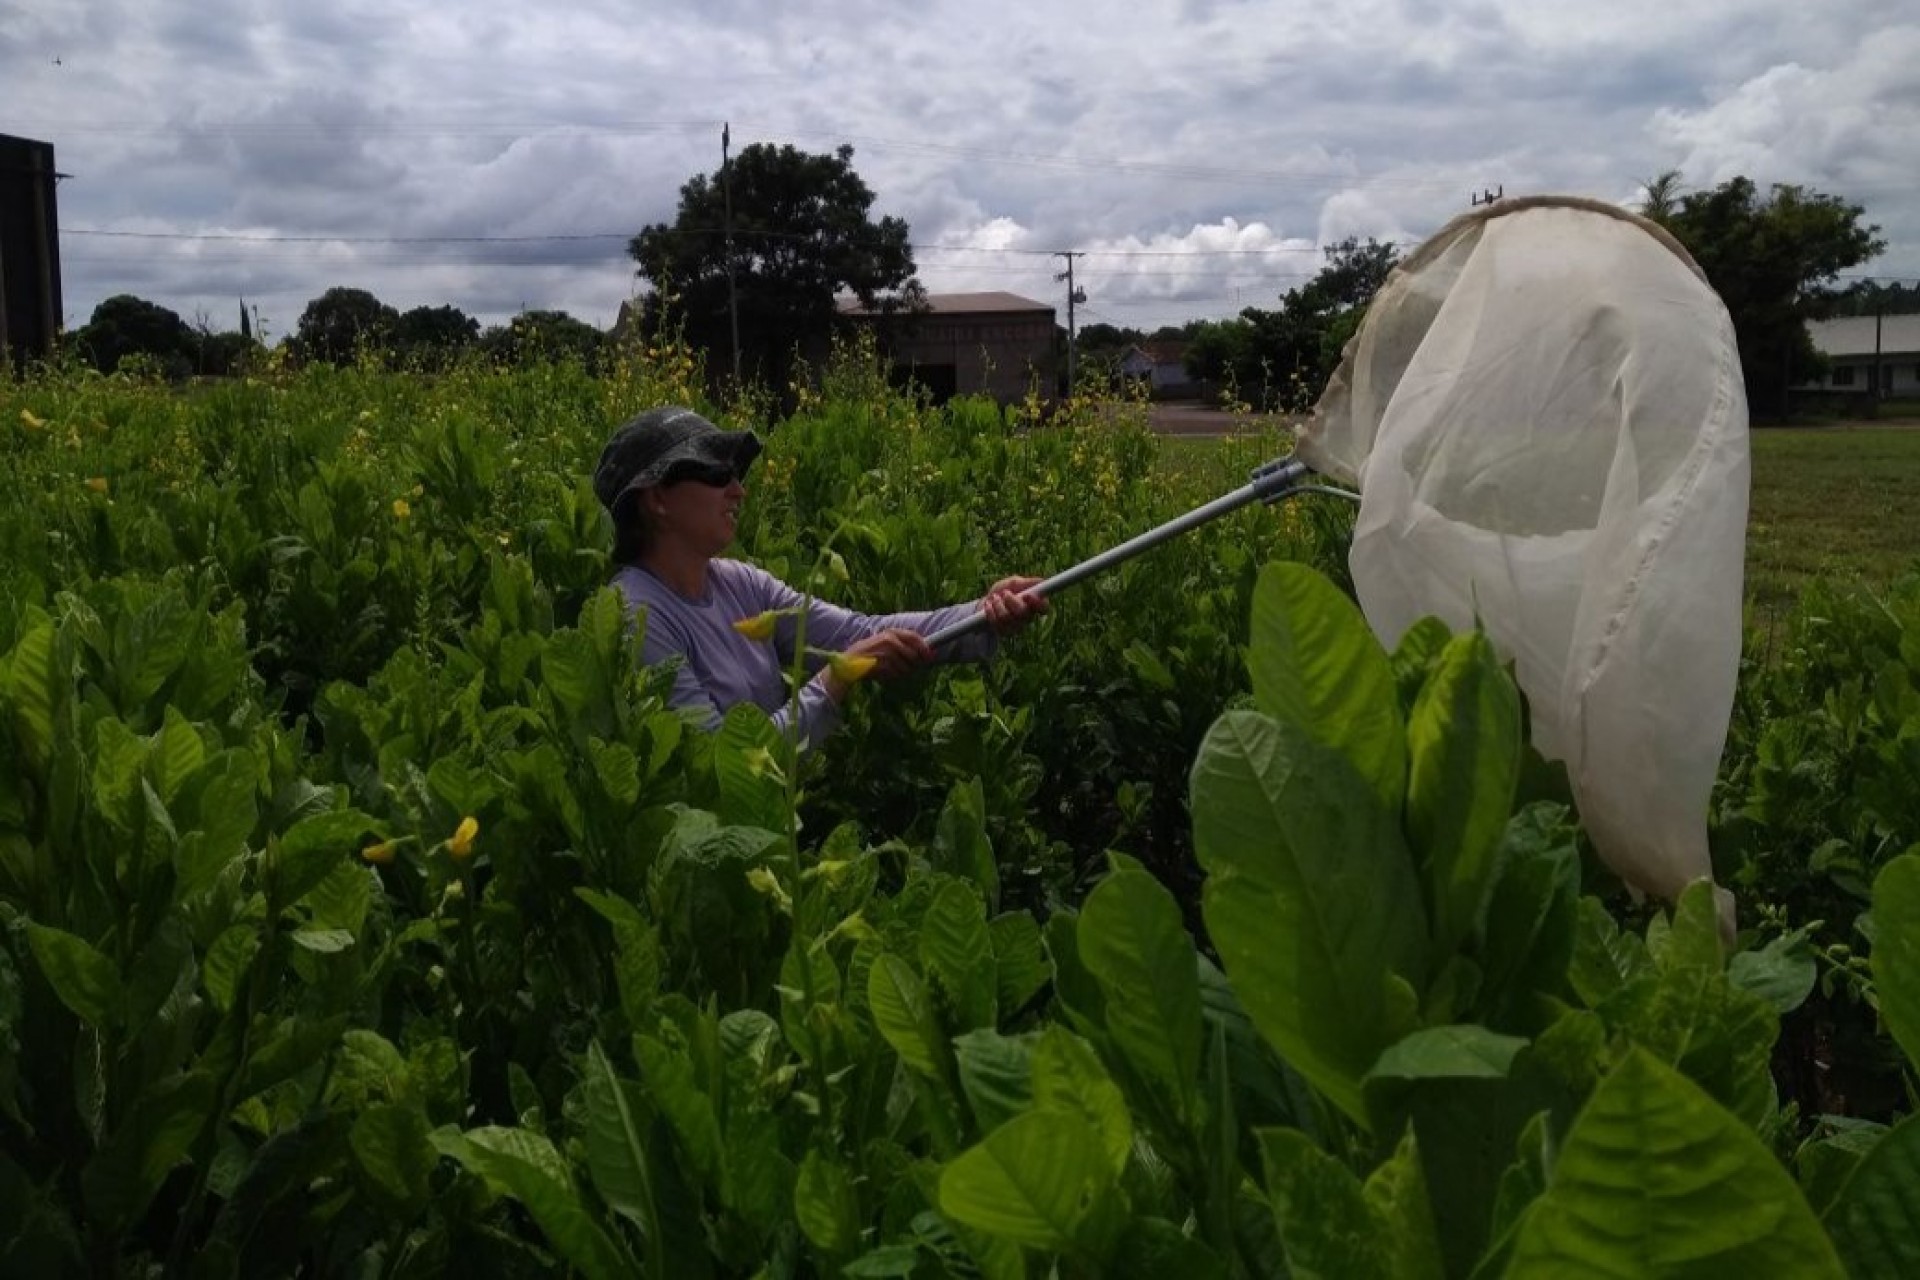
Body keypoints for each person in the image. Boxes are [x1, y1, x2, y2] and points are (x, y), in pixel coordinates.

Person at [594, 406, 1047, 749]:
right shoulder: (637, 615)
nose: (738, 489)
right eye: (715, 473)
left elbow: (860, 633)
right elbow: (718, 767)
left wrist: (984, 613)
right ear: (656, 499)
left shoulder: (741, 584)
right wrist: (837, 678)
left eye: (737, 474)